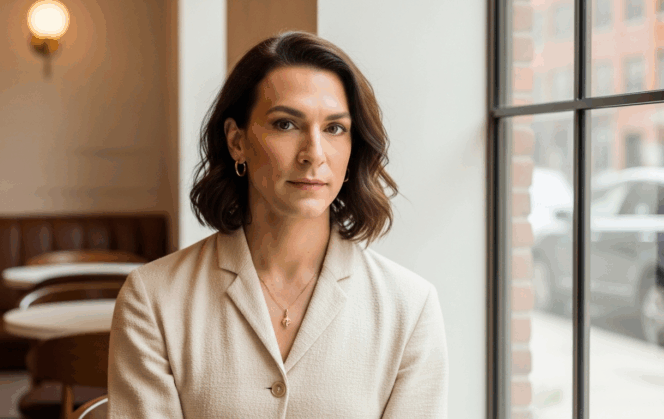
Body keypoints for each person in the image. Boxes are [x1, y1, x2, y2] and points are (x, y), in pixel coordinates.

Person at [108, 31, 448, 418]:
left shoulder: (410, 307)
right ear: (237, 141)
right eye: (286, 124)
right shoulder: (153, 299)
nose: (314, 154)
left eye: (334, 128)